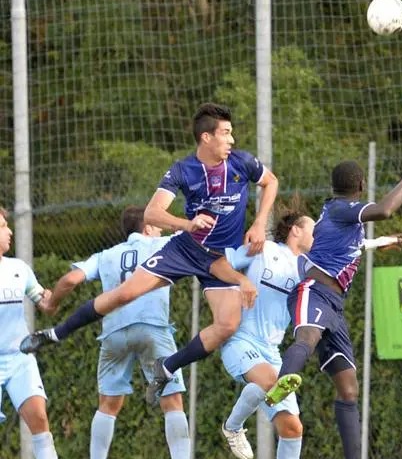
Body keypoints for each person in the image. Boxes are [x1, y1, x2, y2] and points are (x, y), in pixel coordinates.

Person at [21, 104, 276, 406]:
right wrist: (187, 223)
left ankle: (166, 367)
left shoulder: (242, 162)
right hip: (185, 248)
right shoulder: (183, 170)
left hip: (220, 259)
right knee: (124, 294)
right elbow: (152, 213)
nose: (232, 140)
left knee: (227, 326)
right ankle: (53, 334)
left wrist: (260, 223)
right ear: (206, 137)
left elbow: (270, 182)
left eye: (231, 133)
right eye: (226, 134)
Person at [219, 210, 402, 459]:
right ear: (295, 231)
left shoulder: (312, 265)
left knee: (293, 428)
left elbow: (354, 247)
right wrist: (241, 279)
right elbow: (219, 265)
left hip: (271, 351)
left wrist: (383, 240)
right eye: (312, 229)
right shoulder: (264, 249)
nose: (318, 234)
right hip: (240, 342)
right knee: (271, 382)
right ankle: (232, 425)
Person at [266, 157, 402, 459]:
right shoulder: (343, 208)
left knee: (349, 388)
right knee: (307, 336)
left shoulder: (338, 217)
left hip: (335, 307)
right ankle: (280, 385)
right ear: (359, 186)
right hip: (314, 292)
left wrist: (384, 242)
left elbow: (351, 247)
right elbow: (385, 210)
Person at [44, 206, 195, 459]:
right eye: (158, 224)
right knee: (172, 401)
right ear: (149, 226)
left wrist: (53, 303)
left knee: (108, 406)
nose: (162, 229)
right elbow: (200, 237)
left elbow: (71, 279)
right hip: (153, 330)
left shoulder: (108, 254)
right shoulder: (163, 245)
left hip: (113, 333)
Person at [0, 206, 61, 459]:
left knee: (38, 416)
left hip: (19, 357)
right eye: (2, 226)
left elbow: (44, 302)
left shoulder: (18, 268)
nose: (9, 231)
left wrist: (59, 292)